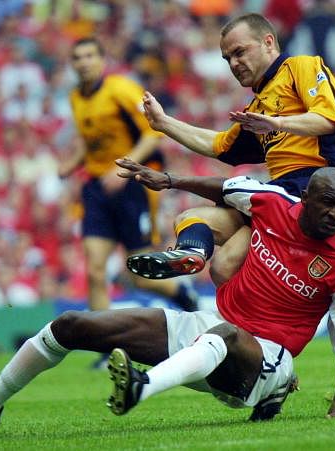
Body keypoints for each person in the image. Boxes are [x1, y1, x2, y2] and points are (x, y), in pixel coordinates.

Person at [0, 158, 335, 441]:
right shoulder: (274, 203)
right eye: (328, 203)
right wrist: (170, 179)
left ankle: (144, 387)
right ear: (305, 198)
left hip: (266, 358)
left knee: (225, 335)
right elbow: (226, 187)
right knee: (72, 326)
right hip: (210, 326)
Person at [130, 13, 335, 285]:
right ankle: (192, 255)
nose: (234, 63)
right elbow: (219, 146)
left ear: (268, 42)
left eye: (240, 52)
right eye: (228, 58)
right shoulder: (257, 108)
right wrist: (163, 123)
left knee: (232, 190)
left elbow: (327, 118)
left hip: (312, 191)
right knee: (213, 253)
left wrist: (277, 122)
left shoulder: (301, 67)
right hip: (277, 197)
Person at [57, 37, 199, 366]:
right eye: (77, 57)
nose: (84, 62)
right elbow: (89, 139)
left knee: (138, 271)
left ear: (102, 59)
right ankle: (104, 348)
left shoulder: (121, 90)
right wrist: (72, 162)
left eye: (90, 55)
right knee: (94, 270)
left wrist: (123, 165)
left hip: (132, 183)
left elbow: (154, 132)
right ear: (72, 64)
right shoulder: (76, 98)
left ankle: (183, 294)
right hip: (96, 188)